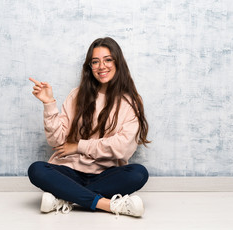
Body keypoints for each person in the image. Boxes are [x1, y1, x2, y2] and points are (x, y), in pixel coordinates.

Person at [28, 37, 150, 217]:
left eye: (108, 59)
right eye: (95, 61)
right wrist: (49, 104)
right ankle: (109, 205)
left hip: (107, 174)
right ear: (89, 67)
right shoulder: (77, 95)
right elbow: (57, 141)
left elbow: (122, 148)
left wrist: (79, 146)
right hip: (70, 170)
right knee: (36, 169)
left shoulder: (131, 101)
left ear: (118, 62)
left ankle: (65, 197)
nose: (102, 66)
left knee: (138, 173)